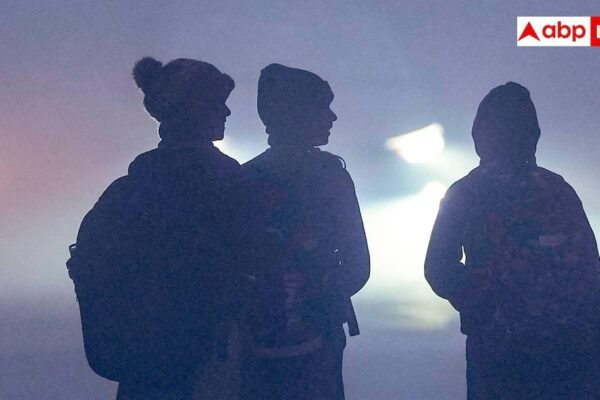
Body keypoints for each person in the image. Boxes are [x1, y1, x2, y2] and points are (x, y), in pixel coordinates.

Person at [70, 57, 240, 400]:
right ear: (193, 109)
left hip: (142, 369)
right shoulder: (230, 188)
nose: (226, 111)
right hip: (212, 368)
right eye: (216, 102)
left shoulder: (125, 193)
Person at [425, 82, 600, 399]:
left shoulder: (468, 192)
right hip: (549, 349)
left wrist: (483, 303)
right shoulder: (555, 189)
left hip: (521, 349)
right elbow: (590, 268)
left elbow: (438, 267)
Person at [239, 63, 370, 400]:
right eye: (322, 107)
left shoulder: (243, 178)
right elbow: (357, 263)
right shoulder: (332, 177)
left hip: (256, 338)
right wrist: (322, 299)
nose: (332, 117)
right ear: (296, 113)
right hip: (319, 338)